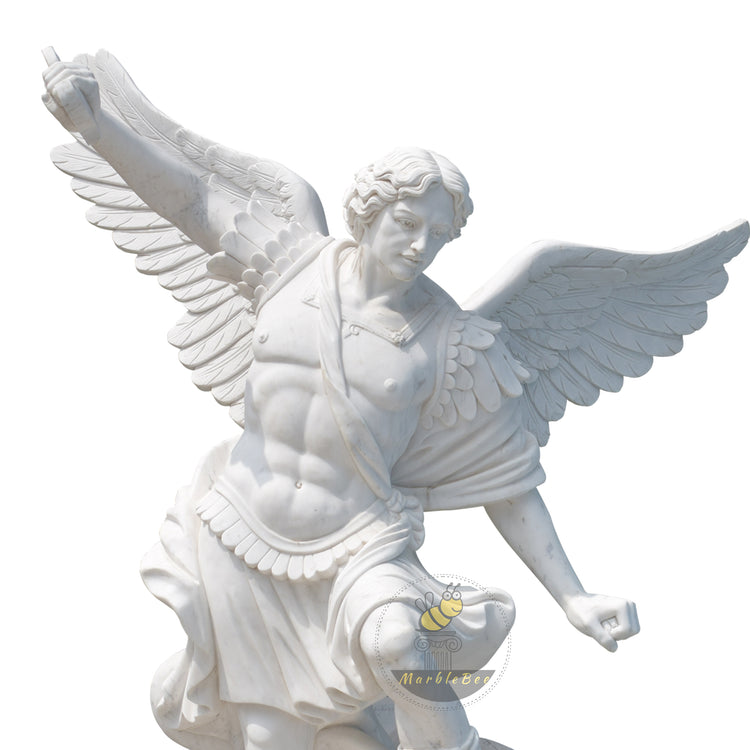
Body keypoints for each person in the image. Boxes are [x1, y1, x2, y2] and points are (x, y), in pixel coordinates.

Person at [43, 56, 640, 750]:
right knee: (272, 741)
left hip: (358, 542)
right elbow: (191, 199)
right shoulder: (289, 258)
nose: (420, 246)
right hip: (238, 534)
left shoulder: (451, 342)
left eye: (438, 234)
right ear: (370, 211)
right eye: (407, 223)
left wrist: (573, 596)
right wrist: (99, 129)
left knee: (398, 641)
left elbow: (506, 481)